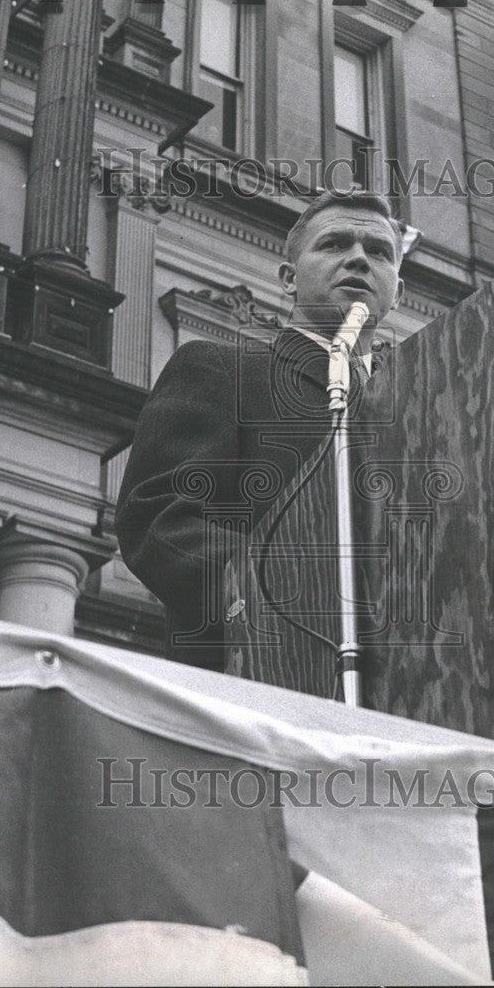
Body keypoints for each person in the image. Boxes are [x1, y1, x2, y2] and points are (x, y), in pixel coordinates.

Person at [116, 190, 405, 669]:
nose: (358, 258)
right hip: (261, 681)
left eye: (378, 252)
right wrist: (286, 586)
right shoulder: (221, 370)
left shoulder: (413, 409)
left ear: (398, 288)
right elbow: (157, 521)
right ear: (289, 279)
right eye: (334, 244)